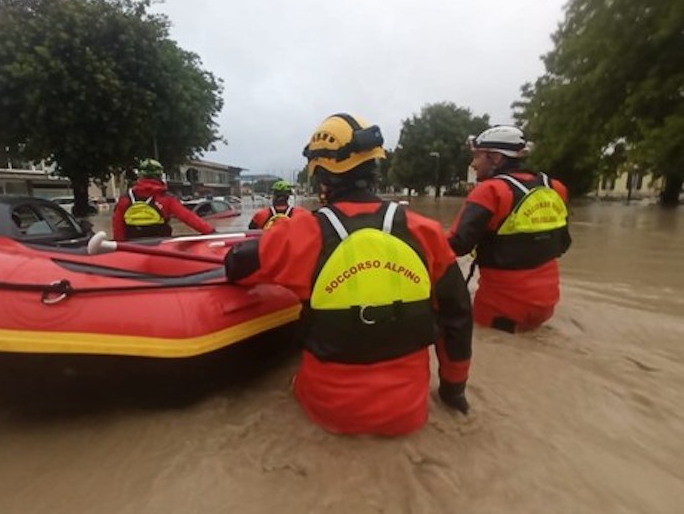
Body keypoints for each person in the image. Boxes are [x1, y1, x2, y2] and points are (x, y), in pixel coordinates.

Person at [224, 113, 473, 436]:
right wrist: (453, 391)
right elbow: (457, 316)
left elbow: (236, 267)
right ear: (375, 168)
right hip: (409, 413)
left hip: (326, 412)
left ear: (322, 176)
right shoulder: (426, 232)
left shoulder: (297, 234)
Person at [447, 125, 571, 333]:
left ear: (495, 158)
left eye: (477, 156)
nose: (473, 164)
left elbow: (456, 245)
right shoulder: (555, 187)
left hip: (499, 307)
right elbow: (563, 242)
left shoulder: (490, 191)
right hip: (547, 302)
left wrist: (415, 241)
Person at [112, 158, 216, 240]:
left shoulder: (125, 199)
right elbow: (188, 218)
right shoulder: (166, 198)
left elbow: (117, 226)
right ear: (160, 176)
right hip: (160, 247)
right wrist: (210, 231)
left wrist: (120, 246)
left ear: (140, 176)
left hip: (132, 248)